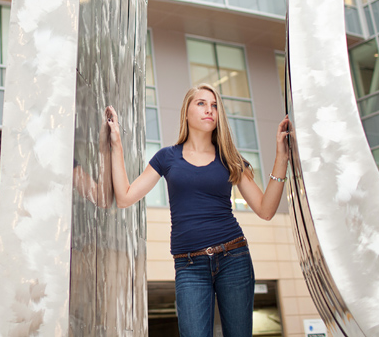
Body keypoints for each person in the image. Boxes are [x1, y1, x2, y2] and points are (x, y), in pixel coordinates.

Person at [105, 83, 290, 337]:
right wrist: (116, 143)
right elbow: (125, 197)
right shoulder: (167, 158)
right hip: (189, 266)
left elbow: (266, 209)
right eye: (201, 103)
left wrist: (281, 156)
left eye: (214, 105)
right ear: (186, 112)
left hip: (233, 258)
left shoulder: (229, 158)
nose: (209, 110)